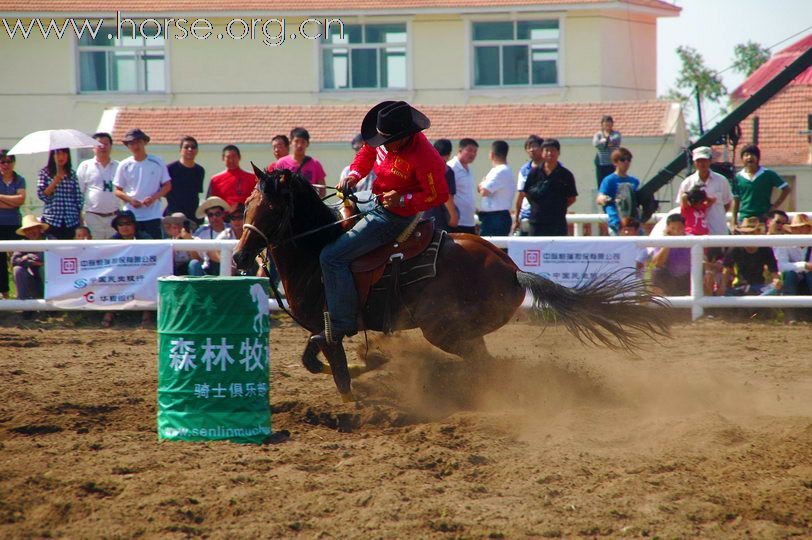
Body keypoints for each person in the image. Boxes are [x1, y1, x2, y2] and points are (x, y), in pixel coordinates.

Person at [312, 100, 448, 347]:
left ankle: (342, 322)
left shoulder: (426, 158)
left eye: (387, 140)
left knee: (332, 256)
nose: (381, 143)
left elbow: (438, 195)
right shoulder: (384, 139)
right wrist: (352, 176)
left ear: (405, 136)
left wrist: (403, 198)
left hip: (394, 217)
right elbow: (366, 153)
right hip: (372, 199)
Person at [113, 128, 172, 240]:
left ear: (144, 142)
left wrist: (153, 198)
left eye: (138, 142)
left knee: (153, 248)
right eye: (132, 143)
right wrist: (131, 200)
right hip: (131, 217)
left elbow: (167, 185)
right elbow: (117, 190)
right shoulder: (124, 164)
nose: (136, 146)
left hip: (152, 214)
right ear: (128, 146)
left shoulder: (157, 162)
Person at [103, 210, 152, 328]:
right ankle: (109, 312)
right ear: (117, 227)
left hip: (143, 274)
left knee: (150, 281)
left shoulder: (146, 239)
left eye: (128, 223)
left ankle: (148, 313)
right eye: (121, 224)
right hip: (119, 277)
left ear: (134, 225)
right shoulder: (111, 242)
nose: (125, 227)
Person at [523, 139, 577, 237]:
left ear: (558, 152)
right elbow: (527, 193)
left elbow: (571, 198)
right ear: (542, 152)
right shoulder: (534, 173)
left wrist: (556, 207)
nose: (549, 153)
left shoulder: (566, 175)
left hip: (557, 222)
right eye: (546, 150)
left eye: (553, 150)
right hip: (537, 222)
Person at [676, 147, 733, 236]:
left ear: (710, 161)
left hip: (718, 232)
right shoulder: (687, 183)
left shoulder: (721, 181)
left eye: (705, 160)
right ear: (694, 162)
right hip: (694, 235)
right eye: (699, 161)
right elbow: (683, 207)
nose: (702, 164)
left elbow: (727, 204)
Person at [731, 144, 791, 224]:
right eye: (746, 155)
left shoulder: (768, 174)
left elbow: (786, 189)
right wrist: (733, 221)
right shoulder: (738, 177)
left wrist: (774, 206)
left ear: (758, 158)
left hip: (763, 217)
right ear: (742, 158)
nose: (749, 157)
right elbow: (736, 200)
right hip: (744, 219)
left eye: (752, 154)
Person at [76, 132, 119, 240]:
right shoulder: (85, 166)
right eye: (99, 144)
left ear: (111, 146)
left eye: (106, 144)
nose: (103, 147)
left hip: (114, 217)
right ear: (93, 147)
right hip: (92, 217)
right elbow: (78, 193)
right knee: (95, 250)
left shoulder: (119, 166)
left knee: (113, 249)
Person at [723, 217, 780, 296]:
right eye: (745, 233)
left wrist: (776, 282)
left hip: (760, 287)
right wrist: (722, 288)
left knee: (774, 289)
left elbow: (774, 273)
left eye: (751, 233)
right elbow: (726, 271)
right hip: (739, 287)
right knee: (727, 293)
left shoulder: (766, 249)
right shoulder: (735, 249)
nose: (748, 236)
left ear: (758, 232)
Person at [772, 214, 812, 323]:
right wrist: (804, 265)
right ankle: (790, 314)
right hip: (793, 282)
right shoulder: (785, 243)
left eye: (802, 227)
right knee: (790, 274)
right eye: (795, 228)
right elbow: (780, 265)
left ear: (808, 229)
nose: (798, 231)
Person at [37, 148, 83, 239]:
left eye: (64, 154)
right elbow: (42, 195)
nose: (61, 157)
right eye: (57, 154)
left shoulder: (72, 174)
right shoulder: (45, 172)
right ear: (52, 156)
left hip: (71, 220)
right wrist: (55, 181)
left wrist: (80, 219)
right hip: (52, 220)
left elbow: (78, 198)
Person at [0, 149, 26, 299]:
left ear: (14, 163)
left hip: (15, 223)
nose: (6, 164)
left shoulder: (20, 179)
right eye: (2, 161)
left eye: (9, 161)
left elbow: (21, 200)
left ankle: (21, 294)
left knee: (18, 258)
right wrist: (12, 200)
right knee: (0, 262)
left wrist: (2, 197)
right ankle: (5, 293)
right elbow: (16, 200)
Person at [596, 147, 639, 235]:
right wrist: (604, 199)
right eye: (622, 159)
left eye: (629, 159)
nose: (626, 162)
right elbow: (599, 198)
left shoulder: (634, 181)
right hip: (616, 222)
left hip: (633, 223)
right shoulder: (609, 180)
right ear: (615, 162)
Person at [273, 127, 327, 196]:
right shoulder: (281, 163)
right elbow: (276, 187)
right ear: (290, 142)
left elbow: (322, 189)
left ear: (307, 144)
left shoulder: (315, 164)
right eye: (296, 141)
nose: (299, 145)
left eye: (303, 142)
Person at [165, 136, 205, 227]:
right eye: (186, 147)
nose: (190, 149)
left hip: (193, 217)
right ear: (180, 150)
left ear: (197, 151)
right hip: (174, 216)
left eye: (193, 147)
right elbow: (164, 191)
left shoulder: (200, 170)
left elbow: (196, 193)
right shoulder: (170, 169)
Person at [477, 140, 514, 237]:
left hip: (496, 218)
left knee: (491, 249)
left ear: (492, 154)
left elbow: (484, 191)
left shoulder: (500, 171)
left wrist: (481, 184)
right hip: (495, 217)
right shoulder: (502, 170)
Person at [189, 196, 230, 276]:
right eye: (210, 215)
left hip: (230, 268)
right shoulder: (201, 232)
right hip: (208, 270)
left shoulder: (232, 229)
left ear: (223, 214)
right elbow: (196, 257)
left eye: (217, 214)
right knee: (193, 264)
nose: (214, 218)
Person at [422, 139, 457, 233]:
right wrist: (454, 218)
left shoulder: (422, 168)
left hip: (421, 218)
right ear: (449, 155)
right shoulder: (446, 170)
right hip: (439, 218)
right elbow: (447, 197)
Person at [12, 215, 51, 300]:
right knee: (17, 270)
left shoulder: (50, 239)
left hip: (52, 281)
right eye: (27, 230)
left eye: (33, 228)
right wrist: (30, 261)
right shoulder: (23, 243)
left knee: (43, 269)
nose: (30, 232)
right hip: (31, 281)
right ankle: (24, 305)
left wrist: (42, 263)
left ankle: (51, 307)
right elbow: (14, 261)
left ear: (40, 228)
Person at [207, 145, 257, 211]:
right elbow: (210, 203)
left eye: (234, 156)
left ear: (239, 157)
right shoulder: (215, 180)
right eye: (228, 157)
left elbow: (257, 199)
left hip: (247, 217)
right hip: (224, 219)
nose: (231, 160)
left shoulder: (252, 177)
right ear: (223, 158)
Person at [512, 135, 543, 236]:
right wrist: (516, 218)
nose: (531, 150)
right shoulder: (524, 170)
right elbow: (520, 194)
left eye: (534, 146)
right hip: (527, 215)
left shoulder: (550, 167)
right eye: (528, 147)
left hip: (545, 216)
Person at [447, 138, 478, 234]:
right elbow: (447, 195)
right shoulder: (451, 167)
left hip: (470, 222)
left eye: (475, 151)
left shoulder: (468, 169)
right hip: (458, 223)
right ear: (460, 150)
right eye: (469, 150)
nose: (472, 154)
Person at [592, 115, 621, 188]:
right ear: (602, 124)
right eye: (606, 123)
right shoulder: (598, 134)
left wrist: (603, 141)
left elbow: (614, 141)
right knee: (602, 185)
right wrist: (605, 143)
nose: (608, 125)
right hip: (601, 164)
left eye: (609, 123)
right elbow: (596, 144)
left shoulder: (616, 134)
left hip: (612, 164)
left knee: (613, 185)